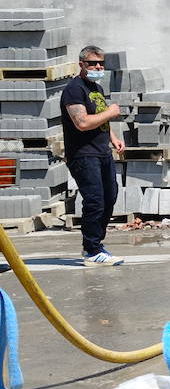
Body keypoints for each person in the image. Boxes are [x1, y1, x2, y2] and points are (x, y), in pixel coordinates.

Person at [60, 45, 125, 267]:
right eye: (92, 63)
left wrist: (112, 137)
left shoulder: (95, 88)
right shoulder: (74, 89)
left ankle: (96, 246)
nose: (98, 67)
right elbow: (82, 122)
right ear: (81, 65)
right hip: (83, 155)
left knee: (110, 197)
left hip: (102, 152)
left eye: (101, 64)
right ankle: (92, 250)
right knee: (95, 201)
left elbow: (98, 117)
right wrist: (111, 112)